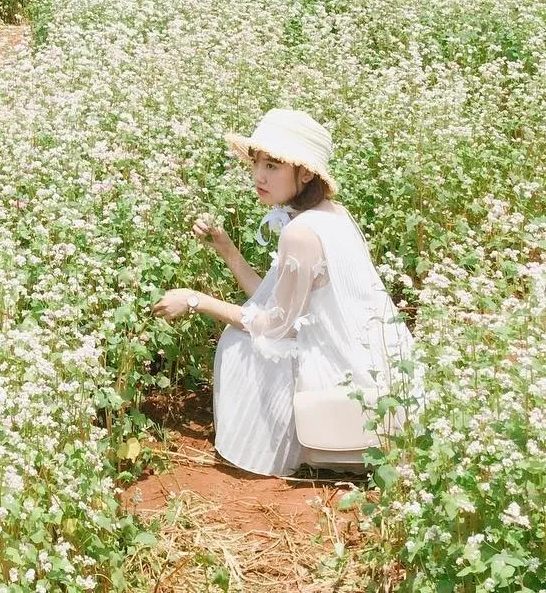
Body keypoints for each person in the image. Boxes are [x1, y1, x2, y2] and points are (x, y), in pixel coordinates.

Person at [152, 108, 413, 477]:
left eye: (273, 166)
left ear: (305, 173)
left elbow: (276, 326)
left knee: (242, 342)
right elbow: (273, 299)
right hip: (377, 377)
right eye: (257, 163)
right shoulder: (331, 213)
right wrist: (225, 247)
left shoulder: (301, 232)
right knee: (247, 324)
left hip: (344, 394)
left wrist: (196, 300)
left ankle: (297, 443)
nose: (258, 175)